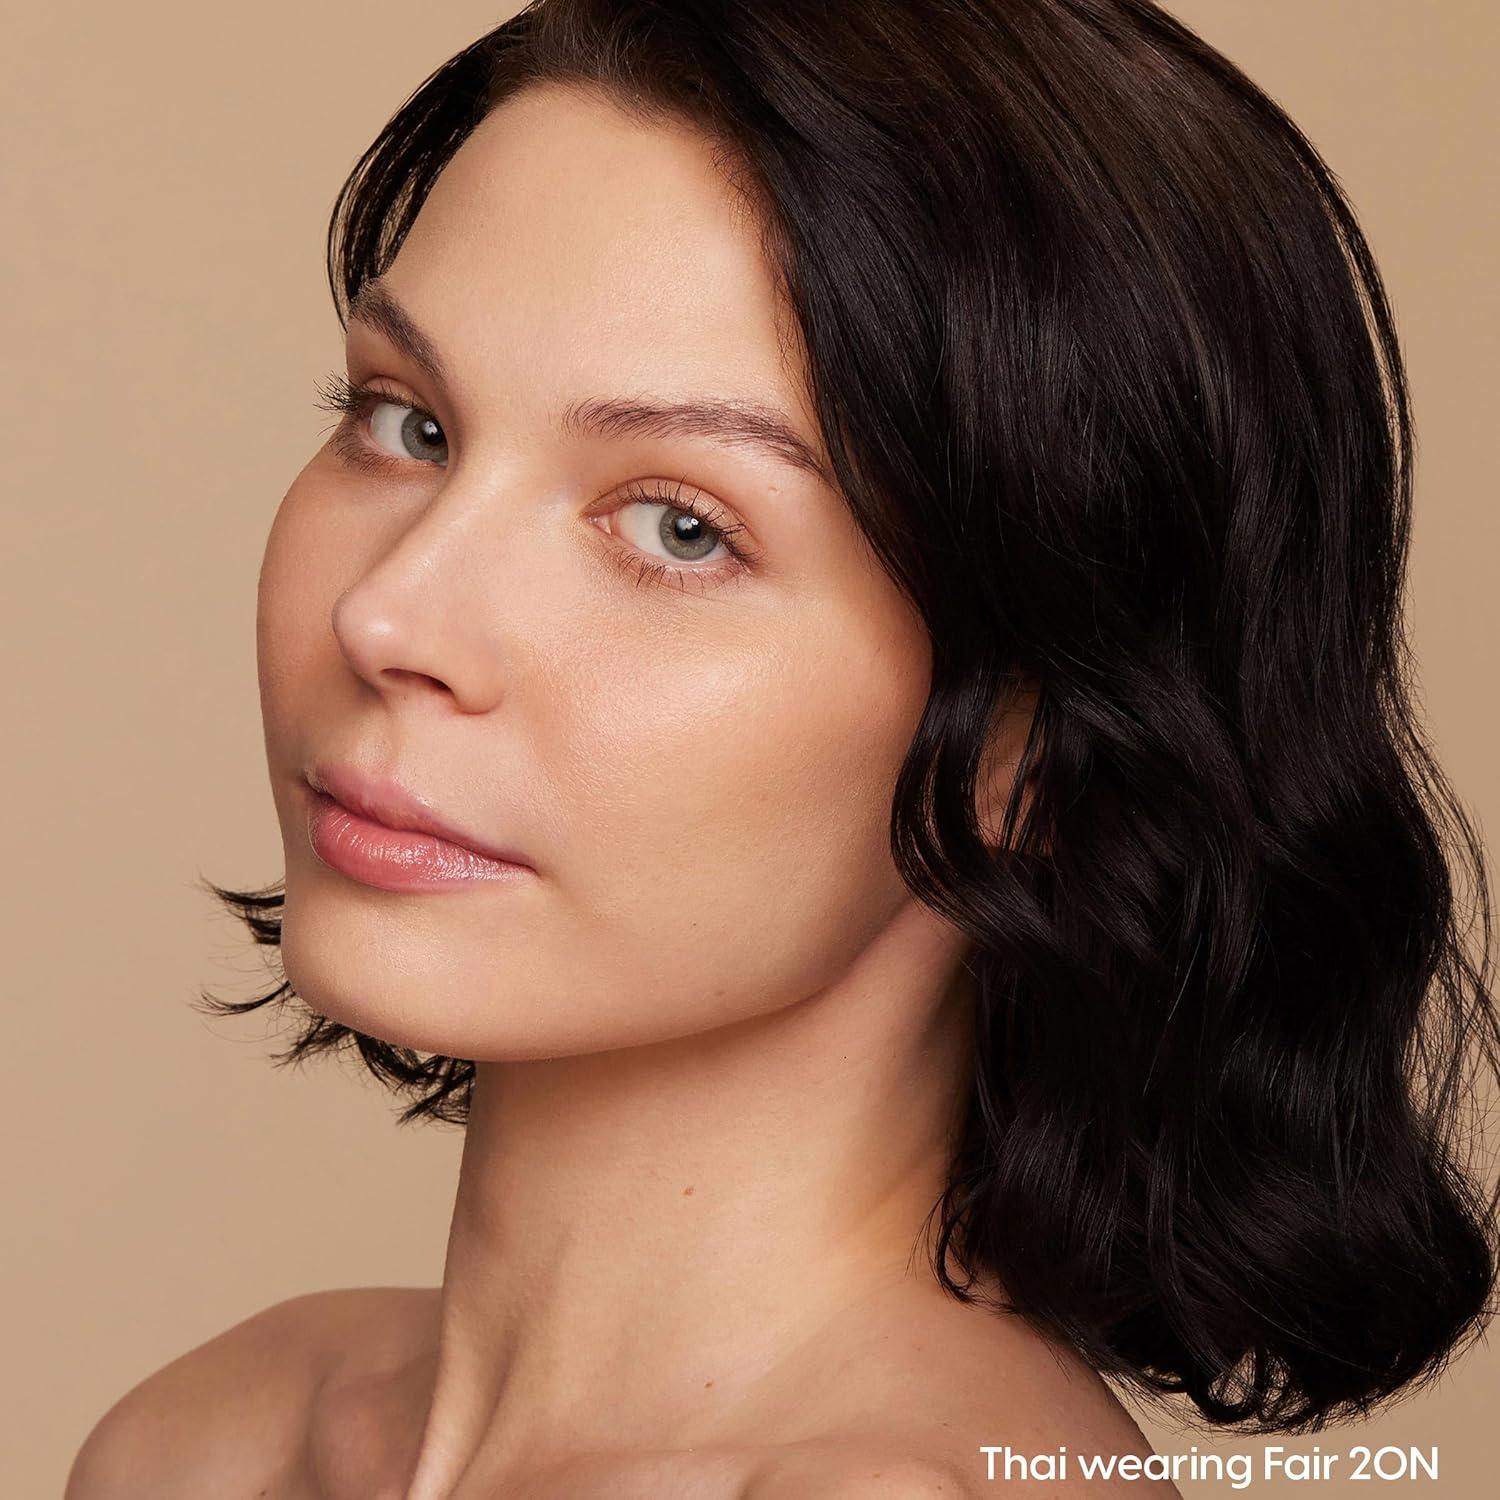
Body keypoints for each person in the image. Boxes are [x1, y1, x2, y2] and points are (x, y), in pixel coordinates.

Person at [66, 2, 1498, 1496]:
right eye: (406, 422)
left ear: (1041, 747)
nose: (386, 614)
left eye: (680, 527)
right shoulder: (209, 1443)